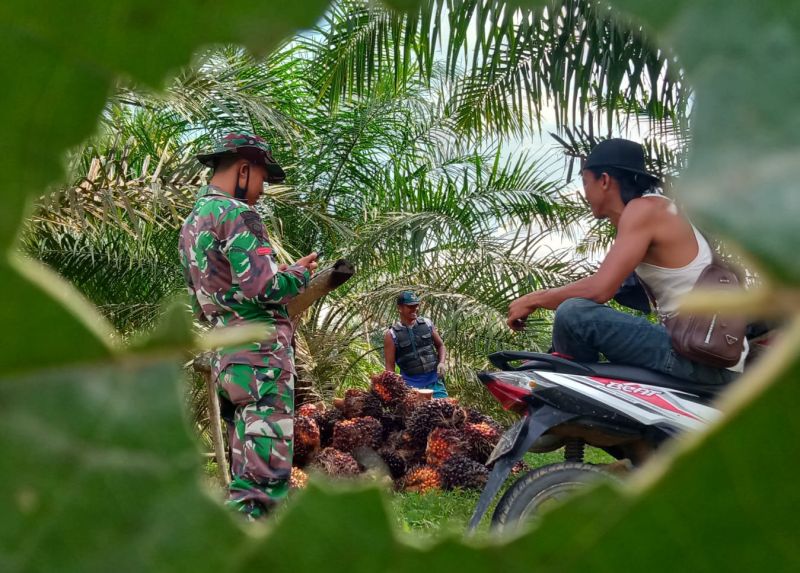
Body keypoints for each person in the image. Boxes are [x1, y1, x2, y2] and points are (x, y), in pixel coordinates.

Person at [507, 138, 746, 384]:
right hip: (700, 352)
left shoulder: (645, 209)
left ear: (604, 180)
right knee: (571, 322)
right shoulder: (654, 211)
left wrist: (533, 299)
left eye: (585, 182)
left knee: (574, 314)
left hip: (702, 359)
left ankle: (567, 390)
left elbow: (599, 289)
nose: (585, 193)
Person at [179, 132, 318, 519]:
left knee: (246, 475)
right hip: (262, 362)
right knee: (262, 486)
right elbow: (265, 287)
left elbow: (203, 300)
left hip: (229, 359)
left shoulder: (192, 223)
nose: (261, 190)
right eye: (262, 178)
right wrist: (298, 275)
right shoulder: (237, 214)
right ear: (243, 169)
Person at [383, 291, 449, 398]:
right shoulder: (391, 334)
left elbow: (441, 345)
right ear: (400, 308)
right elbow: (390, 366)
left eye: (416, 305)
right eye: (410, 306)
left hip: (434, 383)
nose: (415, 309)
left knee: (445, 407)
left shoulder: (427, 324)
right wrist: (394, 388)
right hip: (410, 387)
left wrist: (441, 363)